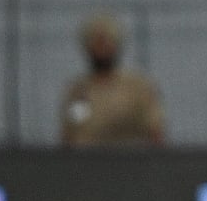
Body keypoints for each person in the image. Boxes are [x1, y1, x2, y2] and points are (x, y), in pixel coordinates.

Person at [60, 12, 164, 146]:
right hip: (86, 163)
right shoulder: (78, 92)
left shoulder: (138, 87)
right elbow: (70, 133)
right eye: (96, 42)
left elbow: (155, 131)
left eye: (106, 42)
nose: (101, 49)